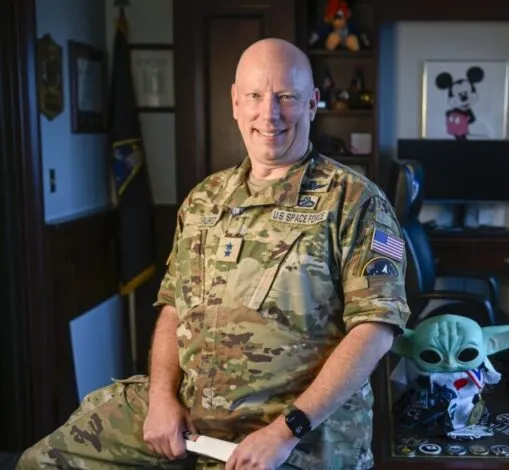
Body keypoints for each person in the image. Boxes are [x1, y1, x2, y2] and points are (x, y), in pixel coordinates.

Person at [17, 37, 410, 470]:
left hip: (296, 436)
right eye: (256, 96)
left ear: (313, 103)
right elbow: (172, 307)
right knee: (42, 462)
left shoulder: (355, 203)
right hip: (190, 418)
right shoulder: (205, 199)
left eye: (286, 98)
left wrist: (285, 431)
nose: (269, 114)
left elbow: (376, 328)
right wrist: (162, 399)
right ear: (235, 102)